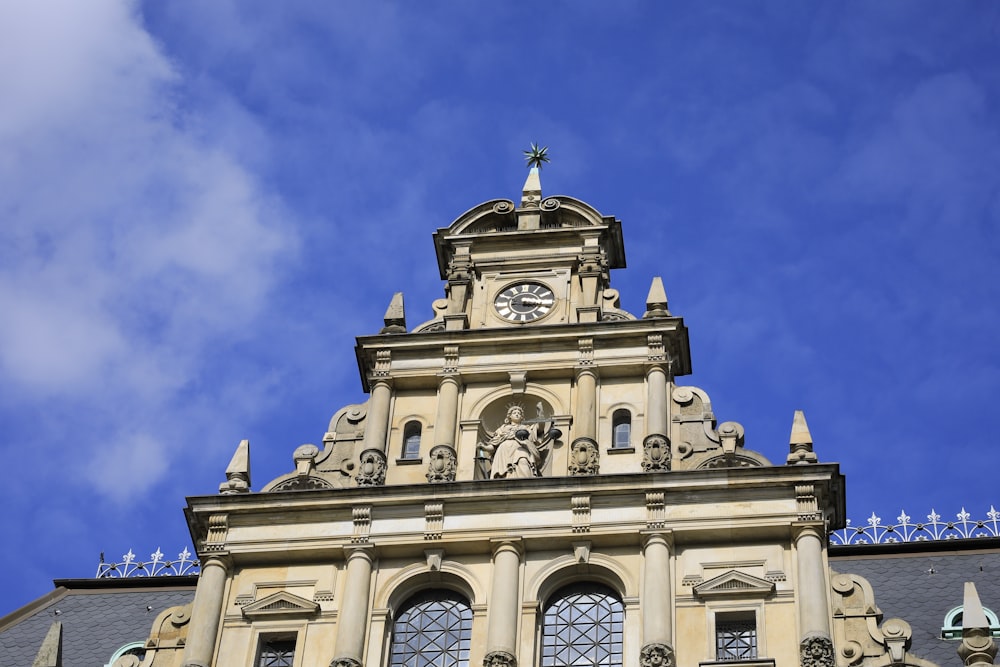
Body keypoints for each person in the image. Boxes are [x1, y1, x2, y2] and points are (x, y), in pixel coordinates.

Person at [479, 405, 542, 479]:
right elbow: (494, 445)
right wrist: (484, 448)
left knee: (523, 461)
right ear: (510, 417)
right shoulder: (502, 428)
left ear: (522, 417)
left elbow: (540, 427)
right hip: (503, 452)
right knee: (503, 474)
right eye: (514, 413)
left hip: (520, 449)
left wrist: (541, 414)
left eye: (519, 413)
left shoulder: (526, 428)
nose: (517, 414)